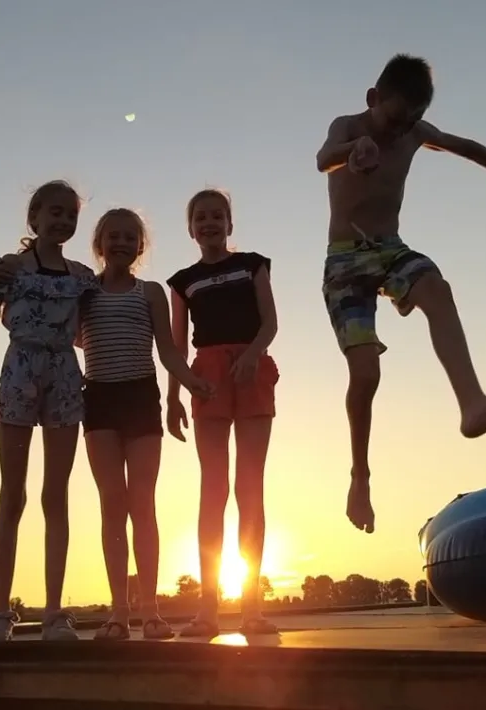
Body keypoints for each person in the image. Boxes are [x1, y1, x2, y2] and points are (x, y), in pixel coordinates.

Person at [314, 54, 486, 535]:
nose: (399, 131)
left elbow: (463, 145)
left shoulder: (413, 133)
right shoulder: (348, 125)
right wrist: (353, 150)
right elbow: (321, 158)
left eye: (410, 121)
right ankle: (360, 476)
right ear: (373, 99)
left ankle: (472, 405)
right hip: (345, 261)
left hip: (390, 250)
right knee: (366, 374)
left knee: (437, 287)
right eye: (393, 119)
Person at [0, 179, 98, 642]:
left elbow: (98, 323)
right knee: (12, 493)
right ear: (35, 217)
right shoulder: (9, 271)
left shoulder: (83, 277)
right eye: (55, 213)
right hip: (18, 374)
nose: (63, 221)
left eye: (71, 215)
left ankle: (53, 612)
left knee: (56, 495)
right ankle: (1, 613)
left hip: (65, 376)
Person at [79, 207, 213, 640]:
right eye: (113, 236)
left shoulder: (150, 292)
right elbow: (63, 333)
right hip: (98, 400)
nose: (121, 243)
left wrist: (191, 382)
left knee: (143, 505)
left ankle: (151, 612)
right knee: (112, 506)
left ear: (140, 246)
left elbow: (169, 352)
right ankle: (119, 613)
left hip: (140, 399)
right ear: (99, 245)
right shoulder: (84, 291)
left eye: (130, 237)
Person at [167, 188, 280, 638]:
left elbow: (270, 321)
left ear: (230, 225)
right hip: (206, 376)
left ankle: (252, 607)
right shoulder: (182, 281)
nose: (210, 223)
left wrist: (254, 353)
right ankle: (207, 609)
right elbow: (176, 346)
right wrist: (174, 395)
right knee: (212, 490)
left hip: (252, 369)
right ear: (191, 229)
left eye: (218, 216)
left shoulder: (252, 264)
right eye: (201, 217)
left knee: (249, 487)